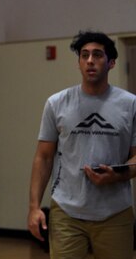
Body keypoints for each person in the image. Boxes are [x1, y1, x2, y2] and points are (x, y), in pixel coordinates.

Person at [27, 30, 136, 259]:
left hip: (114, 213)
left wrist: (118, 175)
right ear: (78, 63)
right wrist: (34, 207)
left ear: (111, 62)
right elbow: (43, 157)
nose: (90, 61)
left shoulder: (130, 104)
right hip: (67, 212)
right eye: (84, 55)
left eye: (97, 55)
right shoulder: (57, 103)